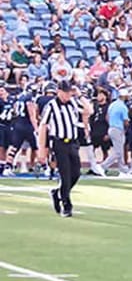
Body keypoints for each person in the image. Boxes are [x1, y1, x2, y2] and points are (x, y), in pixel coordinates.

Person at [37, 81, 83, 218]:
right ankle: (66, 205)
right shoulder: (51, 106)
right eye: (66, 92)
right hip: (59, 143)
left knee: (76, 173)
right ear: (59, 91)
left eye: (70, 92)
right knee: (65, 174)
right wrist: (41, 149)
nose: (68, 95)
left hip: (73, 143)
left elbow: (88, 111)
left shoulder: (73, 103)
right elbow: (43, 126)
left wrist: (80, 96)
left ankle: (57, 193)